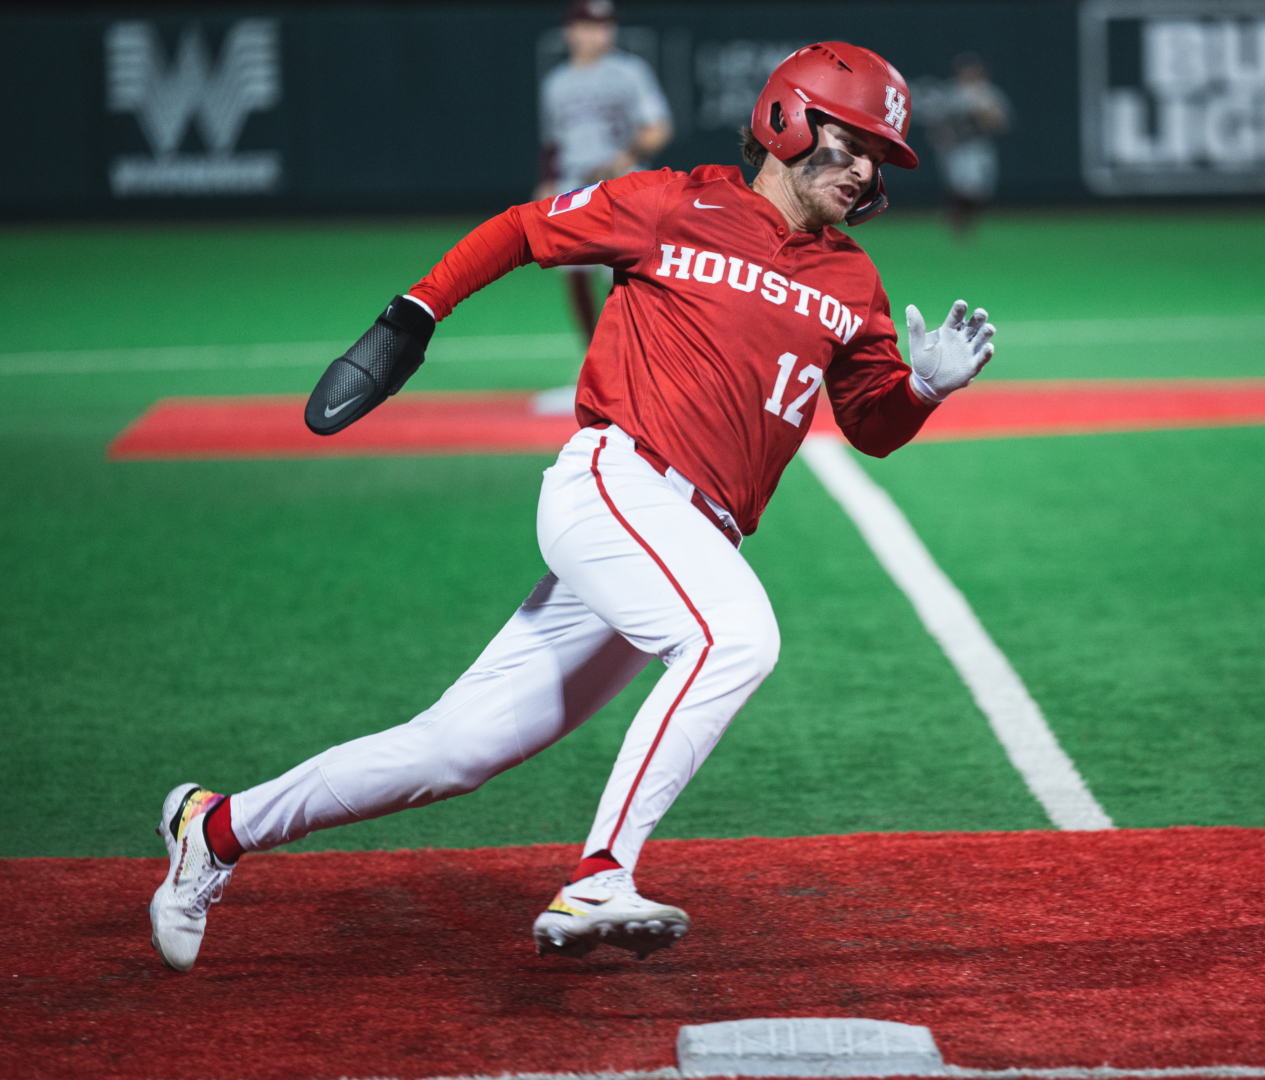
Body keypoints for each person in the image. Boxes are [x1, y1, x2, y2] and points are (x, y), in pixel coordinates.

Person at [148, 42, 996, 973]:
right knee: (735, 637)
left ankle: (216, 828)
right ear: (788, 119)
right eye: (856, 140)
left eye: (883, 154)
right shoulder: (677, 203)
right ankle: (599, 874)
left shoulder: (852, 280)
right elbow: (519, 230)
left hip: (682, 541)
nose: (872, 168)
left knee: (453, 751)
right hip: (614, 486)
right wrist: (414, 313)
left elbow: (869, 425)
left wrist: (922, 387)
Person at [535, 0, 672, 342]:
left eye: (604, 25)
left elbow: (658, 128)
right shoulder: (556, 83)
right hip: (573, 185)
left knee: (625, 275)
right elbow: (552, 143)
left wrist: (626, 155)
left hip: (620, 184)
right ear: (571, 31)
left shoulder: (629, 71)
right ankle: (593, 356)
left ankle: (636, 355)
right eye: (590, 25)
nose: (600, 33)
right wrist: (547, 182)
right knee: (574, 271)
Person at [922, 53, 1011, 236]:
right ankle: (957, 219)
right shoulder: (951, 93)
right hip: (955, 147)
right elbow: (936, 122)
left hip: (980, 145)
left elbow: (1002, 123)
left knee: (980, 190)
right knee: (963, 187)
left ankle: (959, 216)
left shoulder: (988, 93)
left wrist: (984, 115)